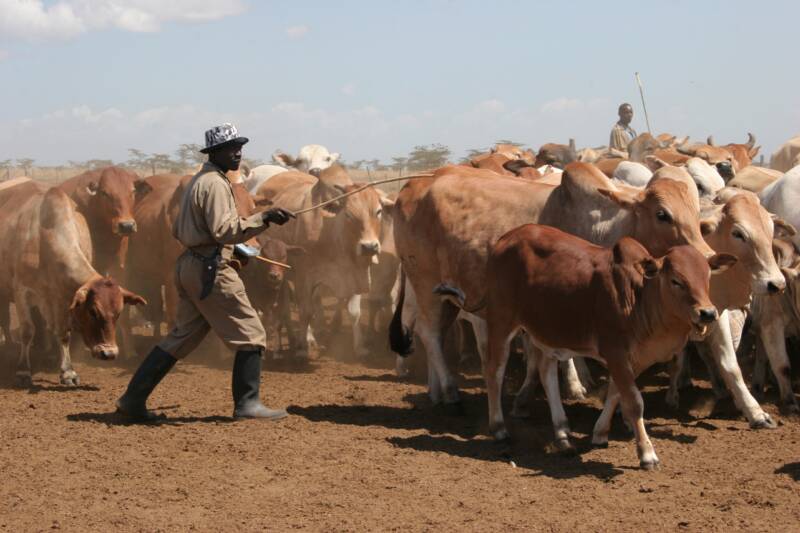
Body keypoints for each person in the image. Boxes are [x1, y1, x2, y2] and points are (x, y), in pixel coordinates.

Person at [116, 123, 294, 421]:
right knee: (252, 333)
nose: (237, 153)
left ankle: (132, 399)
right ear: (215, 152)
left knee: (180, 337)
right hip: (212, 269)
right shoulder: (214, 184)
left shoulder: (200, 181)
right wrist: (264, 217)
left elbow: (184, 229)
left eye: (239, 147)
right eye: (230, 148)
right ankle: (248, 405)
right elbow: (225, 229)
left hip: (191, 265)